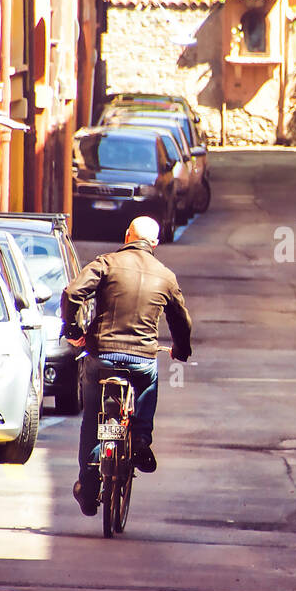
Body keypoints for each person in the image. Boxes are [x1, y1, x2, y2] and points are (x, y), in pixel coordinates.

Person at [62, 216, 192, 516]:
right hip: (142, 359)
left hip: (102, 355)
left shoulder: (107, 263)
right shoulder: (166, 276)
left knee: (93, 419)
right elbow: (181, 320)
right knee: (148, 383)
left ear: (126, 236)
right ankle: (142, 438)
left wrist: (73, 332)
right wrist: (180, 350)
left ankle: (89, 484)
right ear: (155, 243)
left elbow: (72, 293)